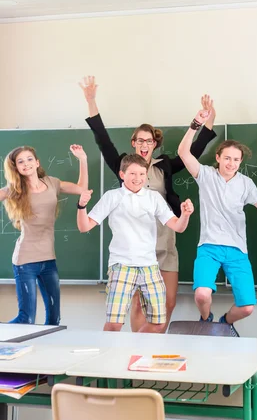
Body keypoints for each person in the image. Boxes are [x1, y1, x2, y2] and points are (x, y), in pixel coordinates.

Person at [79, 76, 217, 332]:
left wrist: (208, 120)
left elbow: (193, 152)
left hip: (165, 240)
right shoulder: (124, 165)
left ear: (155, 144)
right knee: (140, 306)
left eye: (149, 141)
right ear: (133, 143)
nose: (144, 145)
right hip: (134, 248)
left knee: (169, 303)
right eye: (140, 140)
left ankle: (146, 350)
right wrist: (91, 101)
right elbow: (102, 139)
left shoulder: (165, 165)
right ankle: (136, 356)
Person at [177, 97, 257, 336]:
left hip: (237, 250)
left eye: (236, 159)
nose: (231, 163)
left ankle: (223, 323)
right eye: (227, 158)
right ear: (218, 157)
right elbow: (183, 152)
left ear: (241, 162)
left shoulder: (246, 183)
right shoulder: (206, 175)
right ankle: (206, 319)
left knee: (247, 307)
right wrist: (195, 124)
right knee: (202, 293)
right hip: (209, 246)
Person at [77, 154, 194, 333]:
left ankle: (134, 347)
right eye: (132, 173)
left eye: (141, 174)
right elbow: (84, 227)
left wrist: (185, 215)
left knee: (159, 322)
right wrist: (81, 207)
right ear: (122, 174)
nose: (137, 178)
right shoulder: (112, 196)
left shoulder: (154, 197)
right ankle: (108, 355)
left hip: (149, 266)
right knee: (115, 323)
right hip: (121, 265)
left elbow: (178, 227)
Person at [0, 144, 88, 325]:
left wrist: (83, 160)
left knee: (54, 319)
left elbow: (81, 188)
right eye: (21, 162)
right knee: (27, 319)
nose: (26, 164)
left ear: (37, 162)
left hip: (48, 260)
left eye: (30, 159)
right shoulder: (15, 189)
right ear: (16, 167)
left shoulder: (52, 183)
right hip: (25, 261)